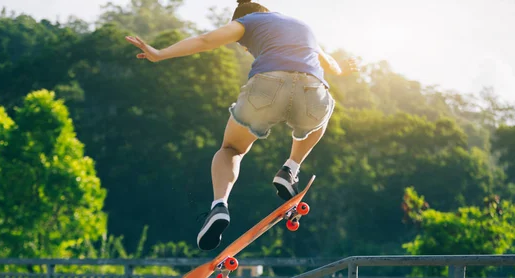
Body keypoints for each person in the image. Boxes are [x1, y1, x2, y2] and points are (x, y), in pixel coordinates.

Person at [126, 0, 357, 251]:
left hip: (267, 86)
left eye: (243, 45)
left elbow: (205, 41)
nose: (247, 49)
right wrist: (343, 70)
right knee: (321, 115)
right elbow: (330, 64)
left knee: (231, 150)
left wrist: (159, 53)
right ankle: (290, 169)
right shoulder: (302, 26)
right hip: (312, 91)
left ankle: (219, 206)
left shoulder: (249, 21)